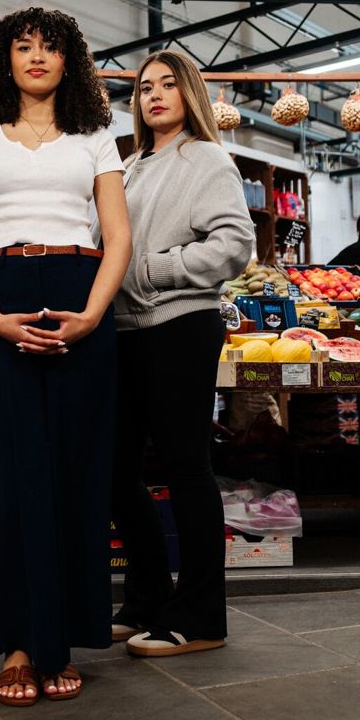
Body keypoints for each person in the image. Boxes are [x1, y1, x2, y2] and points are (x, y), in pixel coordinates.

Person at [0, 7, 132, 706]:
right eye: (22, 47)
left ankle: (63, 641)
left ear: (69, 62)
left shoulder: (95, 136)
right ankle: (21, 645)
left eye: (49, 49)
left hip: (81, 293)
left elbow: (117, 237)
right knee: (18, 478)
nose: (34, 58)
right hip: (3, 296)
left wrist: (90, 316)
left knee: (76, 474)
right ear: (4, 60)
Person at [99, 50, 254, 657]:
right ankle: (145, 599)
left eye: (168, 84)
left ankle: (201, 618)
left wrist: (150, 271)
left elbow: (234, 245)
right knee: (117, 470)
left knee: (187, 468)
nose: (155, 95)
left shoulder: (206, 157)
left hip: (180, 324)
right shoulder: (130, 163)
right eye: (144, 87)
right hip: (123, 330)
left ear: (190, 92)